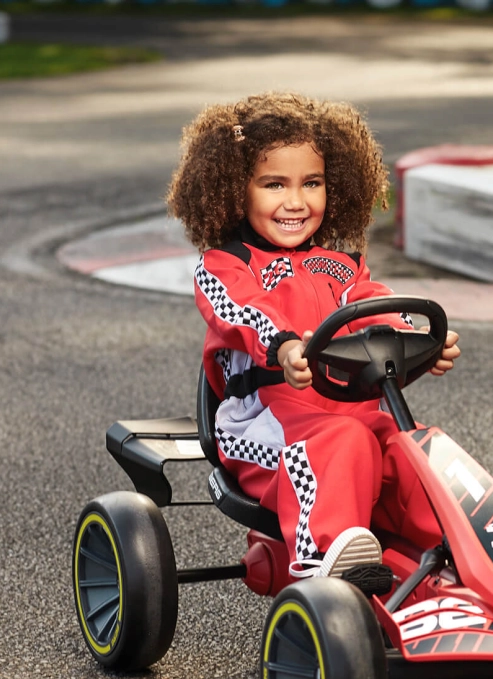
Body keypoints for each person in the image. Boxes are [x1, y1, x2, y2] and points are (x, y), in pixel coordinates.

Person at [167, 92, 460, 583]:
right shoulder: (225, 266)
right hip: (263, 428)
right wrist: (283, 346)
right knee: (345, 441)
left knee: (415, 448)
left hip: (351, 415)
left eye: (312, 183)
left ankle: (456, 559)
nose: (296, 202)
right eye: (274, 184)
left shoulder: (343, 266)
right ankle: (323, 563)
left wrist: (418, 341)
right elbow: (240, 310)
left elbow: (376, 306)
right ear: (235, 190)